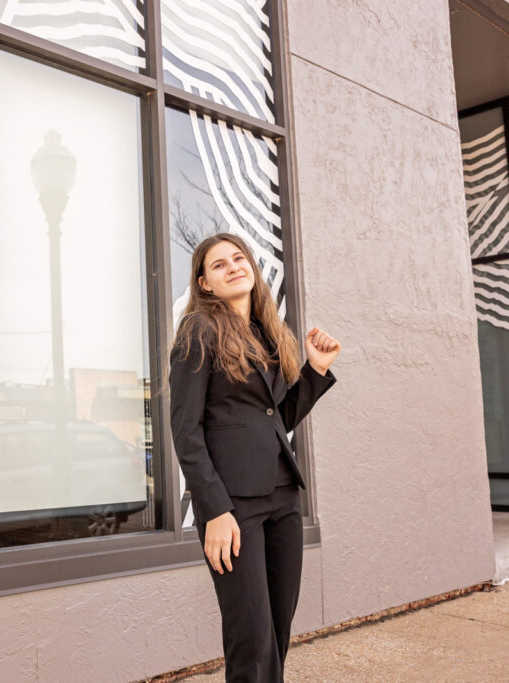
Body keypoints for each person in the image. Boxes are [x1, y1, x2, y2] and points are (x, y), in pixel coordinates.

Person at [169, 233, 340, 682]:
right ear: (204, 284)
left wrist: (314, 370)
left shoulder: (266, 333)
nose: (232, 267)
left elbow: (276, 418)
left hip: (282, 498)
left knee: (277, 629)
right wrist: (215, 511)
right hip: (233, 505)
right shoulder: (198, 331)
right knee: (252, 635)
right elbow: (185, 432)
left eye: (238, 258)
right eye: (219, 265)